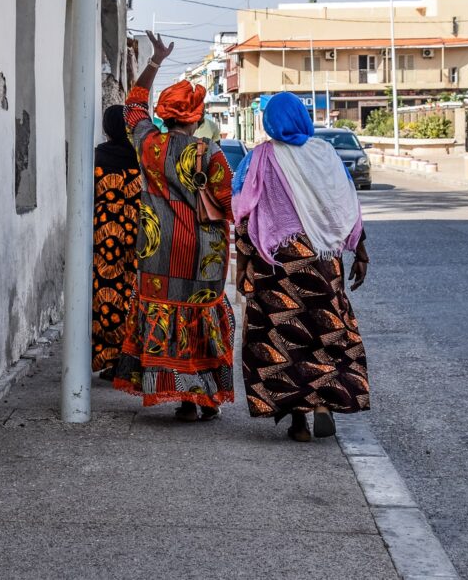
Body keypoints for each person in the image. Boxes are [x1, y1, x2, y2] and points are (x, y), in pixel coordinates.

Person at [232, 91, 370, 442]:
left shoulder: (261, 157)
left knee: (284, 339)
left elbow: (247, 212)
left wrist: (243, 263)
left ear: (269, 123)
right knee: (327, 334)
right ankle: (324, 403)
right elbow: (347, 203)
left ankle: (298, 421)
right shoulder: (325, 155)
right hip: (324, 261)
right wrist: (361, 250)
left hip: (277, 264)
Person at [113, 32, 235, 421]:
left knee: (164, 312)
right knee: (199, 317)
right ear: (196, 116)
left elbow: (132, 106)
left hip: (157, 248)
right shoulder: (211, 153)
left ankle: (180, 395)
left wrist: (154, 62)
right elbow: (230, 203)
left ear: (165, 116)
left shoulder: (148, 144)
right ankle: (201, 396)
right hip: (203, 252)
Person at [91, 105, 142, 379]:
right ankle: (134, 358)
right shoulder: (140, 156)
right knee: (135, 292)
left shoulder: (97, 156)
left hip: (106, 232)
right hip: (137, 231)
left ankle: (111, 361)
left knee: (107, 295)